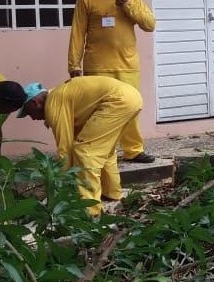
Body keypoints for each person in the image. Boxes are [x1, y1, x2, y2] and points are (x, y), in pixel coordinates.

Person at [68, 0, 156, 163]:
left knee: (131, 108)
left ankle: (133, 150)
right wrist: (74, 64)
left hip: (127, 66)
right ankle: (103, 152)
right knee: (98, 112)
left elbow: (150, 25)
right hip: (96, 66)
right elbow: (77, 33)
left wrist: (129, 6)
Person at [17, 77, 143, 216]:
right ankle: (112, 193)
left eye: (29, 112)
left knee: (86, 152)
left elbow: (65, 147)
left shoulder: (53, 104)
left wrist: (61, 185)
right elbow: (73, 138)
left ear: (35, 103)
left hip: (118, 101)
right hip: (131, 97)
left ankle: (89, 210)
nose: (33, 118)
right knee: (104, 151)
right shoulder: (61, 95)